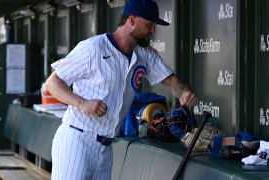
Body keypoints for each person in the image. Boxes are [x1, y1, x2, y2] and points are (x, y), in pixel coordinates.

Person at [45, 0, 199, 179]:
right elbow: (52, 83)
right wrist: (82, 103)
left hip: (106, 147)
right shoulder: (94, 48)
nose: (153, 30)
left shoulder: (145, 54)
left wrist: (183, 93)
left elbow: (173, 83)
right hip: (77, 140)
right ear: (132, 20)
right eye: (149, 24)